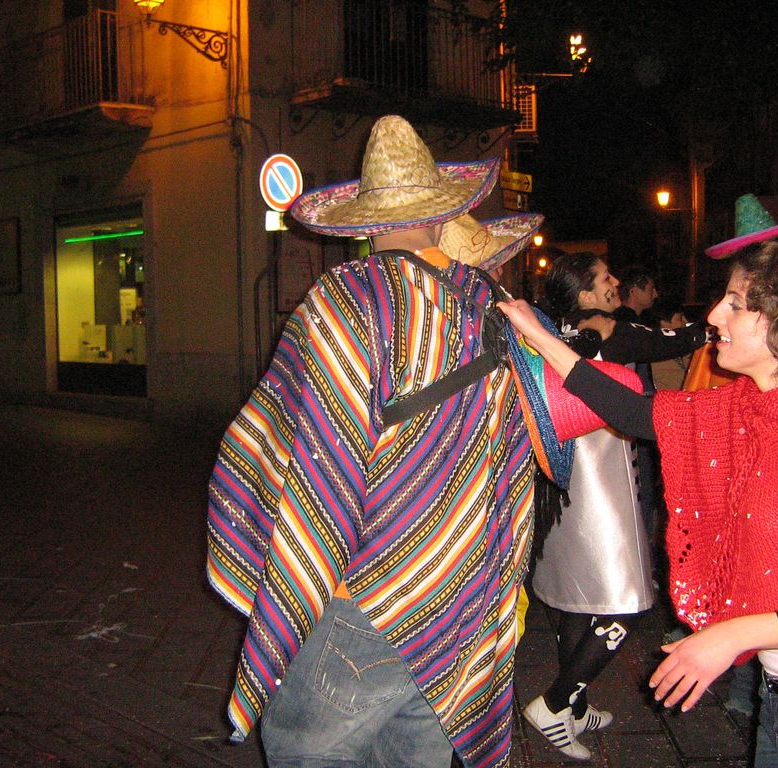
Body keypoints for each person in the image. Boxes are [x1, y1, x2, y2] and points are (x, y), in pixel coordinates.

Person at [500, 235, 778, 767]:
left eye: (736, 303)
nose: (714, 316)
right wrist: (537, 336)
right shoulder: (746, 406)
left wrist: (727, 637)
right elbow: (635, 413)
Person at [206, 114, 544, 768]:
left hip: (364, 597)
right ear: (441, 217)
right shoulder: (492, 304)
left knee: (309, 752)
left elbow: (291, 441)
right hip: (463, 594)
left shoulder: (345, 297)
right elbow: (514, 449)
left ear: (363, 224)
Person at [521, 252, 706, 760]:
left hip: (560, 479)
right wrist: (712, 330)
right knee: (626, 600)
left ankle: (575, 705)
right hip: (600, 482)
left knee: (578, 596)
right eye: (605, 277)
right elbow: (670, 341)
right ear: (584, 293)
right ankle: (555, 703)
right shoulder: (607, 331)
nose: (616, 281)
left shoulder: (548, 331)